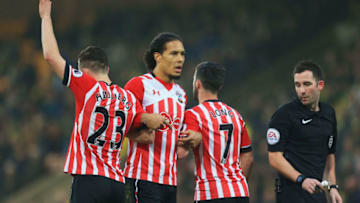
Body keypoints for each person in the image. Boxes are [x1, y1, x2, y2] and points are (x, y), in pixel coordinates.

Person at [39, 0, 170, 202]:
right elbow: (146, 138)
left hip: (89, 179)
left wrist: (45, 17)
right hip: (117, 183)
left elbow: (50, 55)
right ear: (107, 69)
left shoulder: (87, 85)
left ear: (83, 71)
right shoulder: (128, 98)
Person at [123, 32, 188, 203]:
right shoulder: (139, 84)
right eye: (174, 53)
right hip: (142, 178)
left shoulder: (181, 94)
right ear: (157, 57)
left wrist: (187, 142)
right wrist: (144, 118)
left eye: (182, 54)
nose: (180, 59)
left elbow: (178, 134)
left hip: (170, 182)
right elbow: (119, 121)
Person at [267, 60, 343, 203]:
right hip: (291, 194)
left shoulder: (329, 113)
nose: (301, 90)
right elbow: (274, 158)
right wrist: (301, 179)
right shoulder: (284, 115)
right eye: (298, 85)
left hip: (317, 193)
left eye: (307, 84)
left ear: (320, 85)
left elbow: (329, 154)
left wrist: (333, 186)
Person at [178, 61, 253, 203]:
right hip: (240, 192)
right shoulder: (236, 115)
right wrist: (234, 185)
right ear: (219, 87)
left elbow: (181, 152)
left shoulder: (194, 115)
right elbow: (248, 158)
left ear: (197, 84)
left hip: (211, 193)